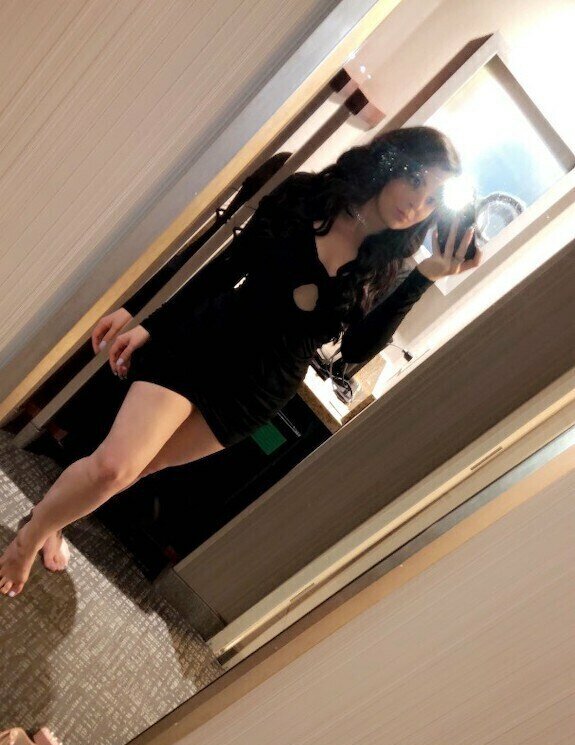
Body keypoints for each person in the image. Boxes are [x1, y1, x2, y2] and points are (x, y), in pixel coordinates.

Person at [0, 126, 481, 597]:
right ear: (390, 162)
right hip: (208, 343)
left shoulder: (387, 264)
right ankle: (29, 538)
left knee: (136, 471)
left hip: (258, 390)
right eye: (415, 180)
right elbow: (227, 267)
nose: (416, 204)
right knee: (114, 468)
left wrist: (424, 277)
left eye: (432, 199)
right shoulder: (307, 195)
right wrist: (148, 320)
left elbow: (355, 351)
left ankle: (50, 521)